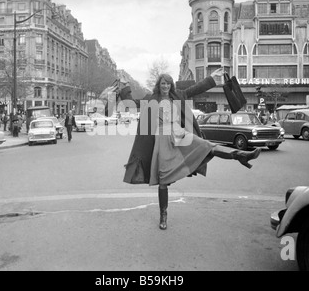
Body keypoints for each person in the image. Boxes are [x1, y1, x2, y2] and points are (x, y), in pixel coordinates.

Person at [103, 68, 261, 231]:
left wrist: (212, 79)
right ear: (159, 85)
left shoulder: (178, 95)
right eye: (163, 83)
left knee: (206, 146)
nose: (166, 86)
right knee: (163, 180)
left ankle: (240, 155)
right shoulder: (151, 99)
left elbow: (196, 89)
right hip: (162, 139)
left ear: (171, 85)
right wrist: (125, 85)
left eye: (168, 84)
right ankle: (163, 215)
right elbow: (131, 102)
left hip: (179, 134)